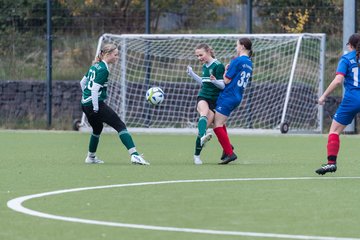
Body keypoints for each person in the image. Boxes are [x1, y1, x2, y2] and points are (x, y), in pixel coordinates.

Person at [80, 43, 149, 165]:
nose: (117, 57)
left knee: (97, 128)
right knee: (120, 126)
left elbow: (82, 83)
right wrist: (96, 107)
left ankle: (90, 157)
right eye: (116, 55)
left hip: (85, 104)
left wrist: (86, 97)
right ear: (108, 54)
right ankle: (135, 155)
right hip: (95, 104)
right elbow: (95, 89)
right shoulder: (104, 69)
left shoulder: (95, 66)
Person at [315, 33, 360, 175]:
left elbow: (338, 80)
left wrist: (323, 96)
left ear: (350, 45)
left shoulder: (346, 58)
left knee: (334, 131)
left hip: (352, 99)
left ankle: (331, 164)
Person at [211, 38, 253, 164]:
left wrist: (225, 71)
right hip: (237, 96)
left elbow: (226, 81)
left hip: (228, 95)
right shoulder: (250, 63)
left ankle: (230, 152)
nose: (236, 48)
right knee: (220, 122)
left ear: (243, 47)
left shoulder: (237, 60)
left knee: (216, 124)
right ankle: (227, 147)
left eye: (237, 45)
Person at [187, 43, 225, 165]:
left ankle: (196, 155)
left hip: (214, 101)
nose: (199, 58)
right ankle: (203, 137)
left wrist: (215, 81)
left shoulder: (218, 66)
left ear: (208, 51)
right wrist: (192, 74)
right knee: (203, 112)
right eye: (197, 56)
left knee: (202, 128)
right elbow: (204, 83)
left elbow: (222, 85)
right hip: (203, 97)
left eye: (201, 55)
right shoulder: (204, 67)